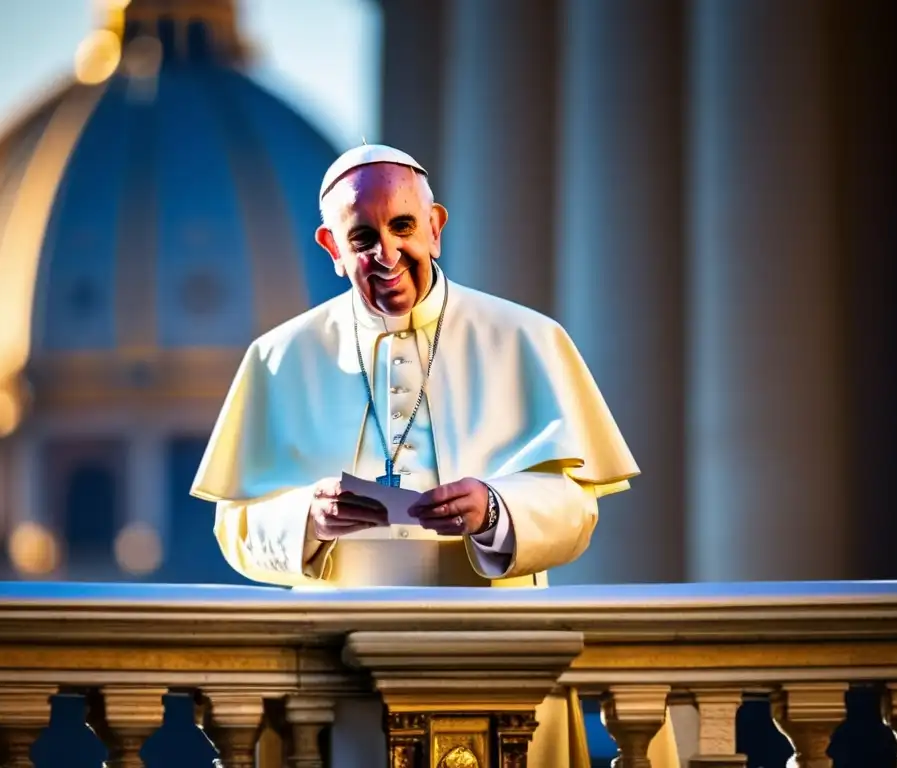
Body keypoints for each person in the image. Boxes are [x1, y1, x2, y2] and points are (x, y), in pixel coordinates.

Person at [190, 144, 679, 767]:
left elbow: (576, 509)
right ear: (332, 249)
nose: (387, 255)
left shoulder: (525, 337)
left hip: (504, 666)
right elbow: (235, 527)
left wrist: (496, 510)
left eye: (403, 227)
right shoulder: (278, 358)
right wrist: (306, 520)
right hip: (337, 682)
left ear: (436, 228)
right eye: (362, 236)